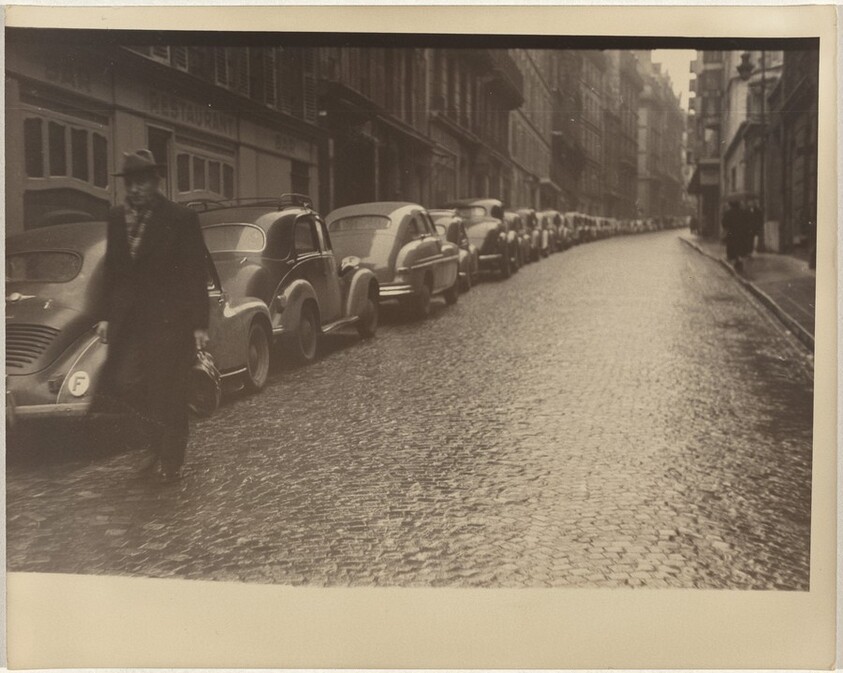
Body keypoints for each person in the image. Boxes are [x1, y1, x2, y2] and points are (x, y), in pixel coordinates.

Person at [91, 149, 210, 483]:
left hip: (170, 320)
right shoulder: (116, 218)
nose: (136, 189)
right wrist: (105, 316)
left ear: (156, 183)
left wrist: (200, 322)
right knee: (125, 383)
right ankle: (155, 441)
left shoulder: (180, 218)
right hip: (129, 322)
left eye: (142, 182)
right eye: (130, 182)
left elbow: (194, 273)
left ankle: (171, 458)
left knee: (168, 390)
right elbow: (113, 270)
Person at [721, 199, 748, 272]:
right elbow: (747, 222)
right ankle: (739, 260)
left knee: (732, 249)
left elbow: (724, 223)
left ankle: (737, 262)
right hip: (742, 234)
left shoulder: (728, 213)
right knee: (740, 248)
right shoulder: (743, 212)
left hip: (732, 234)